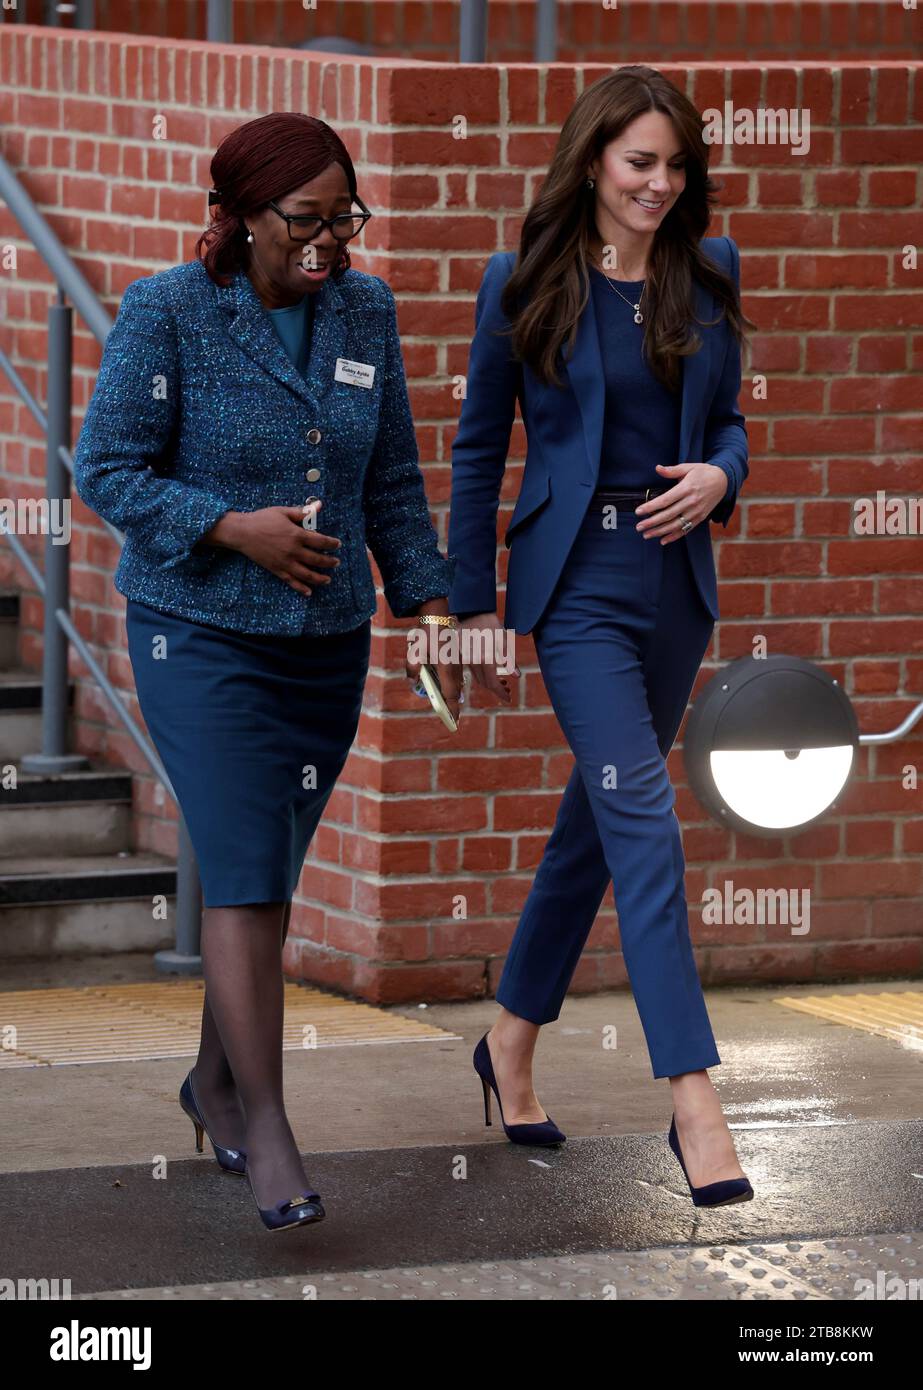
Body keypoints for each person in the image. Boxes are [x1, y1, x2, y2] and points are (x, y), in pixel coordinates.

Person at [73, 112, 461, 1232]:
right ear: (242, 216)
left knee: (266, 872)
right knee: (242, 868)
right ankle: (271, 1128)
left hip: (324, 641)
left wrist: (427, 604)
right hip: (195, 633)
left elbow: (390, 475)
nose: (329, 240)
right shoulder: (169, 312)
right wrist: (228, 527)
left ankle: (211, 1081)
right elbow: (105, 468)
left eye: (345, 216)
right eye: (305, 220)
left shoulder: (364, 310)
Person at [447, 66, 756, 1206]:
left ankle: (509, 1041)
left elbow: (727, 416)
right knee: (642, 815)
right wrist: (466, 605)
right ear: (590, 163)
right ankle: (691, 1095)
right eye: (639, 163)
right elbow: (481, 445)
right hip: (573, 586)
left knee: (595, 820)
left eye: (675, 166)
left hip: (672, 582)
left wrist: (720, 471)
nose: (660, 185)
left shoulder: (705, 268)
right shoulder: (521, 278)